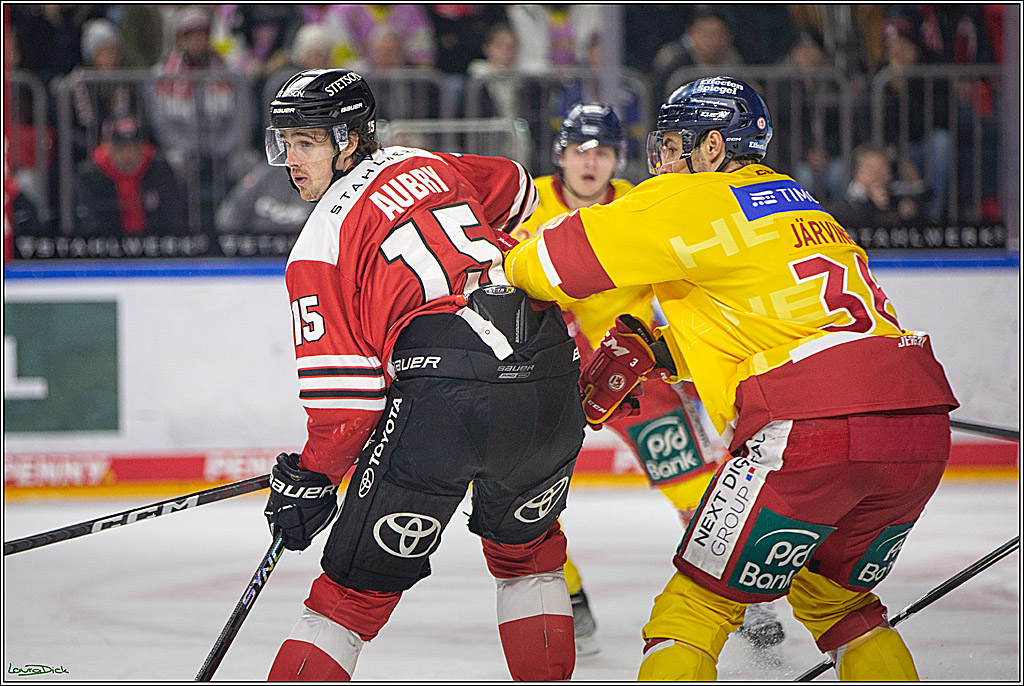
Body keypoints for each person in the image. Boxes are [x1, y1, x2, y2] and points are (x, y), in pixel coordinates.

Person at [503, 75, 958, 681]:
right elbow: (779, 324)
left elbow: (541, 267)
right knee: (844, 609)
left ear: (712, 147)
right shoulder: (800, 201)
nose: (662, 160)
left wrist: (498, 259)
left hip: (812, 427)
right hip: (917, 426)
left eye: (673, 145)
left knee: (690, 612)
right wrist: (665, 354)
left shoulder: (685, 199)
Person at [260, 68, 586, 681]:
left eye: (306, 142)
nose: (291, 160)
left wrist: (312, 479)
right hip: (547, 372)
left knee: (350, 598)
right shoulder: (425, 160)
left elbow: (346, 407)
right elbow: (518, 187)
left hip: (445, 394)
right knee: (532, 560)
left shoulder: (319, 243)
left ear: (348, 139)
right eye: (285, 142)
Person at [515, 102, 786, 657]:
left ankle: (745, 593)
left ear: (618, 160)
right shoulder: (526, 202)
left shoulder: (646, 200)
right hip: (542, 373)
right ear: (560, 156)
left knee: (689, 483)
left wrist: (676, 346)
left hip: (631, 375)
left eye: (604, 153)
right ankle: (565, 596)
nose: (591, 163)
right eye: (579, 151)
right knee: (516, 492)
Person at [73, 115, 186, 237]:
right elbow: (88, 222)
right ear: (109, 148)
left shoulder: (159, 169)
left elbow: (173, 216)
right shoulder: (90, 174)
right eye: (121, 149)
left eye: (133, 148)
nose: (128, 155)